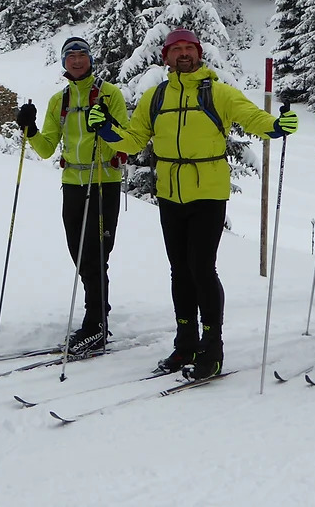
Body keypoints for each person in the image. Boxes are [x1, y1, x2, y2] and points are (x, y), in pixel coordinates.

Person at [87, 28, 298, 379]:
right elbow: (135, 139)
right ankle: (185, 342)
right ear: (165, 57)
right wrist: (108, 132)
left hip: (209, 192)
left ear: (199, 54)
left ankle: (212, 347)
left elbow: (251, 117)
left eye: (189, 49)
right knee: (179, 270)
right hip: (170, 192)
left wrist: (276, 126)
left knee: (201, 267)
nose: (183, 54)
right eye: (176, 49)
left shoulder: (218, 92)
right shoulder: (155, 97)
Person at [15, 37, 129, 354]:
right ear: (64, 62)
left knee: (96, 253)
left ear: (90, 59)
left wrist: (105, 124)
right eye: (71, 56)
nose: (77, 61)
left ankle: (96, 323)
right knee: (79, 254)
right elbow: (47, 148)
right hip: (73, 184)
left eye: (82, 55)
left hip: (103, 181)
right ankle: (97, 315)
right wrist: (30, 129)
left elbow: (126, 141)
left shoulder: (110, 94)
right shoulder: (59, 101)